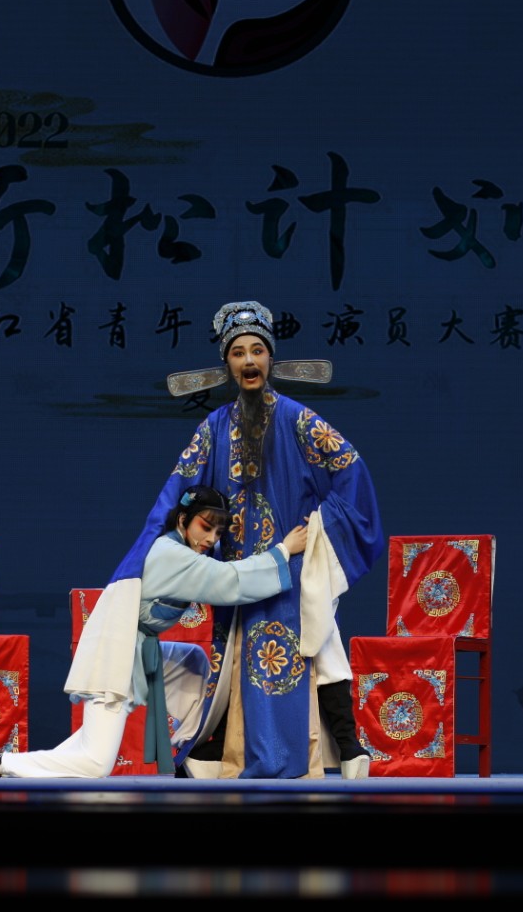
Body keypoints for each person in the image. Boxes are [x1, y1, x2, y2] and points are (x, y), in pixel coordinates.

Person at [127, 300, 383, 779]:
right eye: (238, 352)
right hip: (238, 572)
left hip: (291, 566)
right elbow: (176, 494)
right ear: (227, 364)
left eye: (257, 351)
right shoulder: (213, 429)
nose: (249, 361)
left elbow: (351, 470)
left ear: (270, 359)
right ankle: (231, 751)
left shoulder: (298, 421)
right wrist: (143, 560)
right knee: (234, 662)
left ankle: (343, 747)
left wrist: (319, 532)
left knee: (313, 641)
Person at [0, 485, 306, 778]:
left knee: (193, 662)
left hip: (137, 650)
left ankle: (189, 749)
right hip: (116, 653)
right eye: (204, 527)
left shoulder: (178, 548)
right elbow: (230, 580)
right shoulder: (172, 554)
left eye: (217, 532)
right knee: (95, 763)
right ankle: (0, 763)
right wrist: (283, 551)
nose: (211, 538)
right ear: (183, 520)